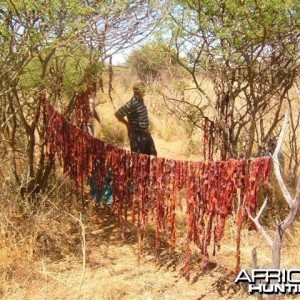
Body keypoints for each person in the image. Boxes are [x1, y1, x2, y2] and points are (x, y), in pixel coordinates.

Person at [115, 82, 157, 156]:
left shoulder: (141, 100)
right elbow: (118, 114)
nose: (145, 92)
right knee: (138, 158)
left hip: (146, 133)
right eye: (143, 90)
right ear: (139, 91)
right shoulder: (133, 102)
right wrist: (127, 124)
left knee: (152, 156)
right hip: (137, 134)